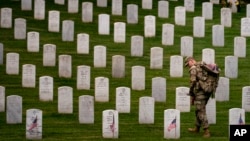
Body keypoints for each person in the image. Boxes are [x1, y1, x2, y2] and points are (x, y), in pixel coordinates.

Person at [184, 57, 211, 138]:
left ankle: (206, 131)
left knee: (201, 111)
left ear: (191, 61)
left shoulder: (193, 69)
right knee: (197, 110)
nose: (188, 66)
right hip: (207, 91)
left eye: (188, 64)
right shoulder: (203, 66)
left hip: (200, 93)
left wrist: (191, 93)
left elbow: (193, 82)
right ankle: (197, 127)